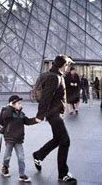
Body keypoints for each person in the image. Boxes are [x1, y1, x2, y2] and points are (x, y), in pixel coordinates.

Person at [32, 54, 76, 183]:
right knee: (65, 141)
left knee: (58, 139)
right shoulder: (54, 77)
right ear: (64, 65)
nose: (68, 67)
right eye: (68, 64)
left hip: (55, 113)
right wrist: (40, 116)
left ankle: (38, 155)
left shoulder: (55, 75)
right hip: (53, 114)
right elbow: (46, 98)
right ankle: (63, 174)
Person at [0, 95, 40, 183]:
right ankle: (5, 167)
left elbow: (27, 121)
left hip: (18, 139)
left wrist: (36, 120)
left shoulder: (21, 114)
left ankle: (22, 175)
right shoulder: (7, 111)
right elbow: (6, 116)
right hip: (9, 137)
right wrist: (10, 106)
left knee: (21, 157)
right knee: (7, 155)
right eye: (18, 103)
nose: (20, 105)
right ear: (12, 104)